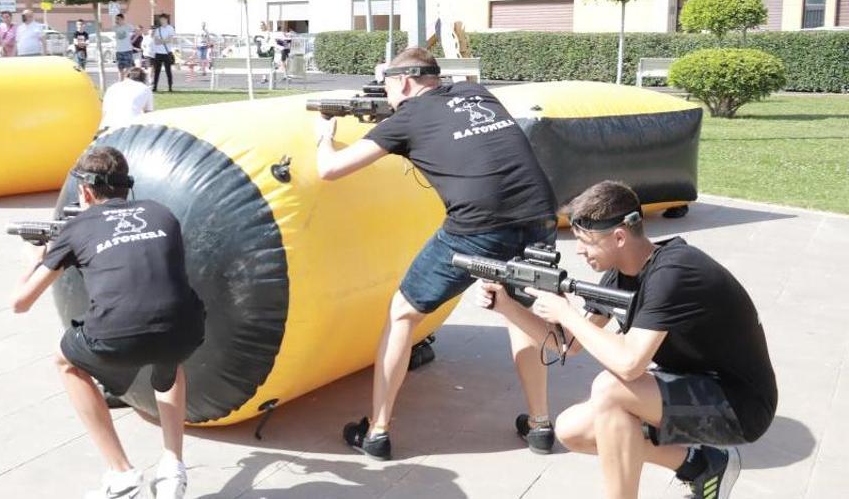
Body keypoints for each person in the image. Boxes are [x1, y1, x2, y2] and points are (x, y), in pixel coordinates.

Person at [312, 47, 559, 460]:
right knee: (520, 316)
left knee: (403, 313)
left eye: (388, 86)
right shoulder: (477, 92)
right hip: (539, 215)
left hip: (477, 227)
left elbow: (330, 169)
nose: (387, 95)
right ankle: (540, 426)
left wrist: (323, 134)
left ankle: (376, 432)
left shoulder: (406, 117)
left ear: (405, 83)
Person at [479, 181, 776, 499]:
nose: (579, 250)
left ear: (619, 237)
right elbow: (568, 342)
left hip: (741, 406)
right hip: (698, 382)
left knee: (610, 390)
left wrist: (567, 313)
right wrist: (507, 307)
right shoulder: (622, 273)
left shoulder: (674, 274)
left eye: (585, 241)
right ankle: (701, 464)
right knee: (572, 430)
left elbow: (630, 364)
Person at [12, 146, 204, 499]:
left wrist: (35, 257)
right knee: (168, 354)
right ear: (125, 186)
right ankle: (172, 466)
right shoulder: (162, 213)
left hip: (119, 335)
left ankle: (122, 472)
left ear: (85, 192)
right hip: (186, 327)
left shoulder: (77, 227)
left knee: (65, 362)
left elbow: (20, 303)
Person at [149, 14, 175, 92]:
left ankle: (170, 87)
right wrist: (163, 40)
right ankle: (155, 87)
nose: (161, 21)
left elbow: (169, 40)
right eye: (160, 20)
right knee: (157, 71)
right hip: (158, 52)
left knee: (168, 71)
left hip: (167, 52)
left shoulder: (170, 28)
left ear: (166, 19)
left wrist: (161, 40)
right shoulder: (158, 29)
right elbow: (156, 42)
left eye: (163, 19)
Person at [112, 13, 135, 80]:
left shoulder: (128, 26)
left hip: (127, 50)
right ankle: (120, 82)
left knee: (129, 67)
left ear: (122, 19)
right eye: (116, 19)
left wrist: (132, 42)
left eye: (118, 19)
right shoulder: (114, 27)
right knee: (120, 68)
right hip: (118, 50)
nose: (116, 20)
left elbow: (136, 32)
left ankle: (124, 77)